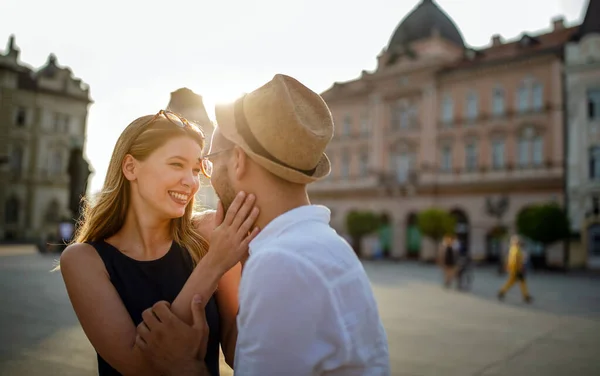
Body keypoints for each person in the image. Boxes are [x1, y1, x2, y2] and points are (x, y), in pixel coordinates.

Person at [137, 74, 391, 375]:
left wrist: (183, 365)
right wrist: (244, 258)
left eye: (211, 161)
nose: (207, 176)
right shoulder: (322, 243)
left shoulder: (282, 263)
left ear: (239, 161)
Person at [59, 110, 260, 376]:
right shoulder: (83, 260)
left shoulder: (210, 234)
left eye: (196, 169)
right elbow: (139, 365)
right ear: (131, 167)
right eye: (176, 164)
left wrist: (251, 269)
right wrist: (214, 264)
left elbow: (239, 353)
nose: (191, 182)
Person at [497, 235, 533, 303]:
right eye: (517, 241)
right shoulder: (516, 249)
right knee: (521, 282)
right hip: (517, 269)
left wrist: (507, 266)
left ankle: (502, 292)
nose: (519, 242)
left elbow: (508, 259)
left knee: (514, 282)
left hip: (514, 269)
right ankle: (526, 296)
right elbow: (516, 260)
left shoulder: (512, 249)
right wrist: (520, 267)